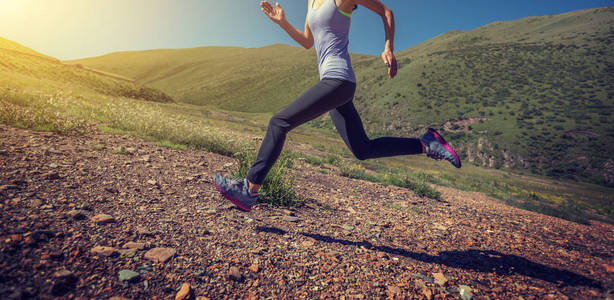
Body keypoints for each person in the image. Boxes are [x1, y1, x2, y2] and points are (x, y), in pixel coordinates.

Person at [214, 0, 461, 212]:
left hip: (339, 79)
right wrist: (282, 22)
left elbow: (386, 12)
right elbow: (307, 42)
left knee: (279, 122)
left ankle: (249, 189)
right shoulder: (311, 2)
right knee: (362, 149)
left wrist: (388, 47)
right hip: (333, 83)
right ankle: (426, 144)